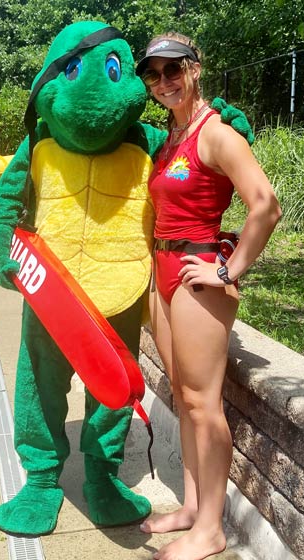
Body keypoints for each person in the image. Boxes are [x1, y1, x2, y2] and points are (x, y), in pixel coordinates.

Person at [136, 32, 281, 560]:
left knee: (203, 403)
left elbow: (265, 204)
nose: (163, 82)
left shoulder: (216, 133)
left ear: (195, 69)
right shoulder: (170, 137)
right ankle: (193, 507)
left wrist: (229, 269)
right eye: (152, 74)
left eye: (172, 70)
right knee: (182, 392)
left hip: (200, 273)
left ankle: (211, 529)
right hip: (164, 267)